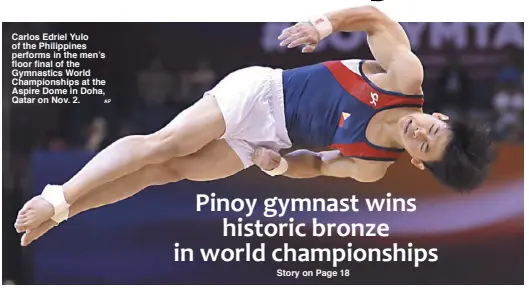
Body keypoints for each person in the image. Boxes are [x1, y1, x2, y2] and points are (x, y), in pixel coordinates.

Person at [14, 5, 494, 246]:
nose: (420, 131)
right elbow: (375, 18)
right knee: (168, 144)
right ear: (440, 115)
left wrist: (278, 168)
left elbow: (316, 166)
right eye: (432, 127)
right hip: (262, 91)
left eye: (426, 145)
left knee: (169, 172)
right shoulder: (406, 78)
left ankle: (64, 214)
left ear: (416, 159)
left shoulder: (371, 167)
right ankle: (58, 194)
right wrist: (324, 25)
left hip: (268, 139)